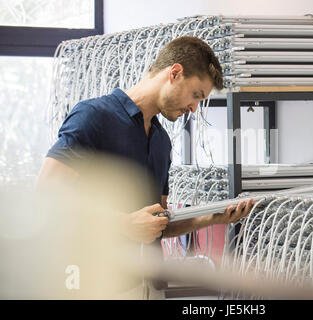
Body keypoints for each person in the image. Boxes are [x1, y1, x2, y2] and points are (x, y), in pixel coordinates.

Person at [36, 36, 254, 299]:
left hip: (147, 286)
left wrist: (213, 218)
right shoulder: (93, 116)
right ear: (174, 73)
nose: (194, 108)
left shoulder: (161, 140)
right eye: (196, 95)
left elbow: (158, 224)